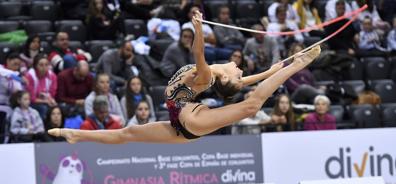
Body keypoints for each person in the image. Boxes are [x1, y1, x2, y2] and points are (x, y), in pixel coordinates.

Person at [48, 11, 321, 144]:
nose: (240, 70)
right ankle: (76, 134)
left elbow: (198, 51)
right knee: (128, 133)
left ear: (226, 80)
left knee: (250, 106)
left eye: (238, 74)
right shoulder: (213, 79)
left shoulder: (204, 76)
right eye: (239, 74)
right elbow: (239, 80)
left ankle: (298, 65)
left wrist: (198, 28)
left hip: (189, 119)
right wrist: (270, 71)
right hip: (182, 123)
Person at [25, 54, 57, 119]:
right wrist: (46, 101)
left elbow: (52, 93)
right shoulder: (30, 76)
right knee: (44, 108)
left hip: (46, 101)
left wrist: (51, 100)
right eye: (41, 65)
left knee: (57, 109)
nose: (44, 67)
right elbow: (31, 99)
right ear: (35, 66)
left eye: (46, 65)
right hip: (31, 103)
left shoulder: (52, 76)